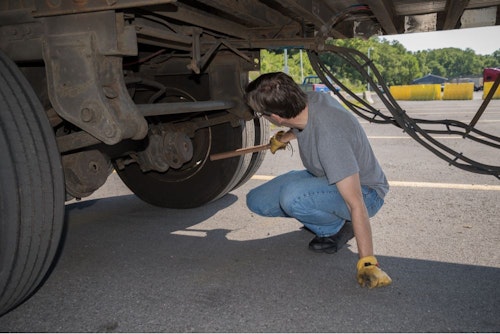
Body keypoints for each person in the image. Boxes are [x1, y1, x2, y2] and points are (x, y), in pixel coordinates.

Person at [245, 72, 392, 289]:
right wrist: (283, 138)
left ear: (275, 118)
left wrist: (368, 262)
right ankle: (325, 213)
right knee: (256, 200)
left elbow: (356, 202)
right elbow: (301, 124)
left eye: (261, 114)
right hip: (324, 176)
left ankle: (334, 228)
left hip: (366, 192)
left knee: (292, 198)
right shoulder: (308, 100)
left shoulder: (330, 138)